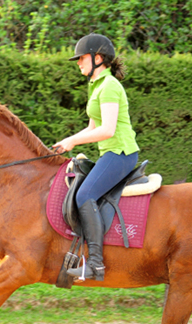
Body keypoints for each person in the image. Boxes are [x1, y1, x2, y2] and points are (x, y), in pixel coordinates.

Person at [53, 33, 140, 281]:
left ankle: (95, 265)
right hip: (110, 153)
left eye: (81, 58)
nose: (78, 63)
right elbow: (92, 128)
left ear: (98, 58)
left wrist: (73, 141)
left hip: (121, 153)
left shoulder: (110, 85)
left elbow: (108, 130)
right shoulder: (97, 85)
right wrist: (66, 141)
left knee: (85, 195)